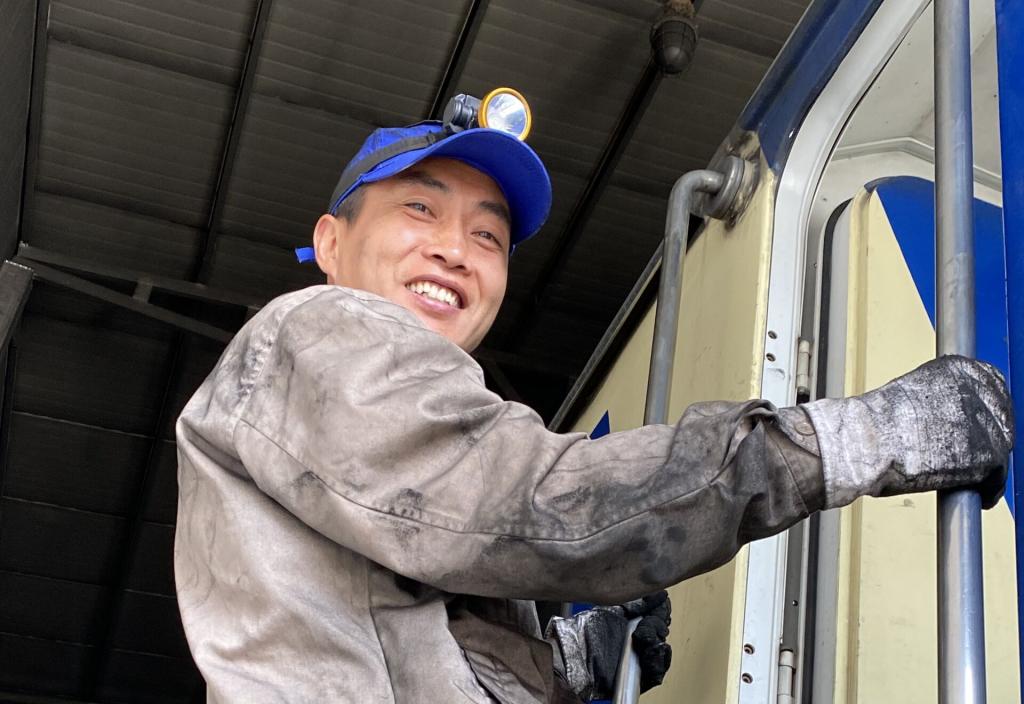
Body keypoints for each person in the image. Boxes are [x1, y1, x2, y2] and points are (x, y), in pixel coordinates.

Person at [174, 118, 1013, 703]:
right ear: (330, 242)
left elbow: (416, 632)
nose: (455, 249)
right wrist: (849, 439)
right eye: (419, 208)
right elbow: (527, 503)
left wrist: (567, 665)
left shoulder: (394, 433)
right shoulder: (318, 330)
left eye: (488, 236)